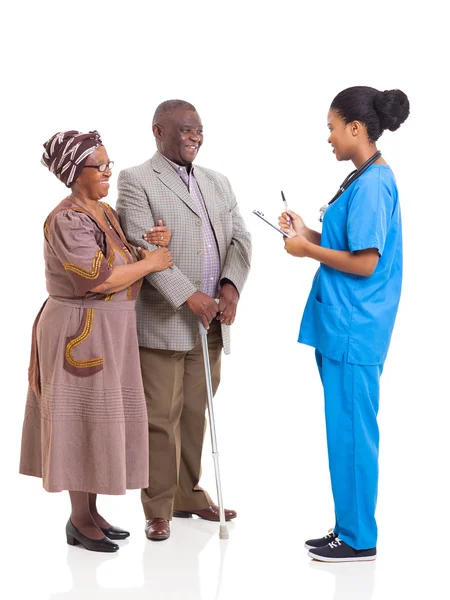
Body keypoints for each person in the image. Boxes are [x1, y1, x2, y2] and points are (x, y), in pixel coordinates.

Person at [19, 130, 173, 552]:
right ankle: (78, 519)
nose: (109, 171)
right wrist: (153, 264)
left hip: (110, 328)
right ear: (75, 172)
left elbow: (121, 261)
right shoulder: (68, 218)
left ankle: (90, 513)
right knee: (80, 421)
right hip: (80, 329)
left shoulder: (103, 211)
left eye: (109, 164)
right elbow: (99, 278)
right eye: (99, 166)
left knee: (100, 423)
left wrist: (150, 250)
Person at [279, 87, 410, 562]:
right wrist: (305, 234)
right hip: (342, 324)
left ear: (356, 129)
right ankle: (348, 528)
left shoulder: (374, 183)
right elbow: (348, 243)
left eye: (332, 128)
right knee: (344, 431)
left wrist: (308, 251)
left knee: (353, 433)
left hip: (356, 328)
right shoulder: (362, 178)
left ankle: (359, 539)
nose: (329, 138)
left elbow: (367, 262)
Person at [116, 99, 252, 541]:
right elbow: (140, 247)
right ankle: (158, 506)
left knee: (197, 411)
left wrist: (229, 286)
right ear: (158, 131)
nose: (194, 137)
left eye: (198, 131)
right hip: (162, 321)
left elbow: (240, 238)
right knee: (160, 416)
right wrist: (187, 295)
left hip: (211, 321)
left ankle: (188, 495)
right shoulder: (136, 180)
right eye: (185, 130)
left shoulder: (218, 181)